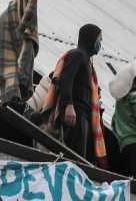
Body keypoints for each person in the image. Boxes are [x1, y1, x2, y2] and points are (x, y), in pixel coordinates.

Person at [45, 24, 108, 167]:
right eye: (99, 39)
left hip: (82, 116)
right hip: (75, 115)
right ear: (91, 39)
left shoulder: (86, 61)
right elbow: (66, 79)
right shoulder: (77, 55)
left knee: (79, 156)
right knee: (72, 158)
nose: (100, 44)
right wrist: (68, 105)